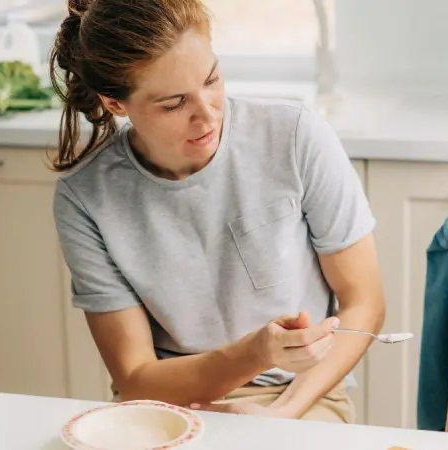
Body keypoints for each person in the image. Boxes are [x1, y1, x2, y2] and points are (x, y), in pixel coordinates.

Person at [47, 0, 385, 424]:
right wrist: (252, 353)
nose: (207, 114)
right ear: (116, 104)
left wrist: (283, 411)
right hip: (167, 398)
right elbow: (135, 378)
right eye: (173, 104)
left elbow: (364, 303)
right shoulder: (85, 198)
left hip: (299, 393)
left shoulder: (295, 136)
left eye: (212, 80)